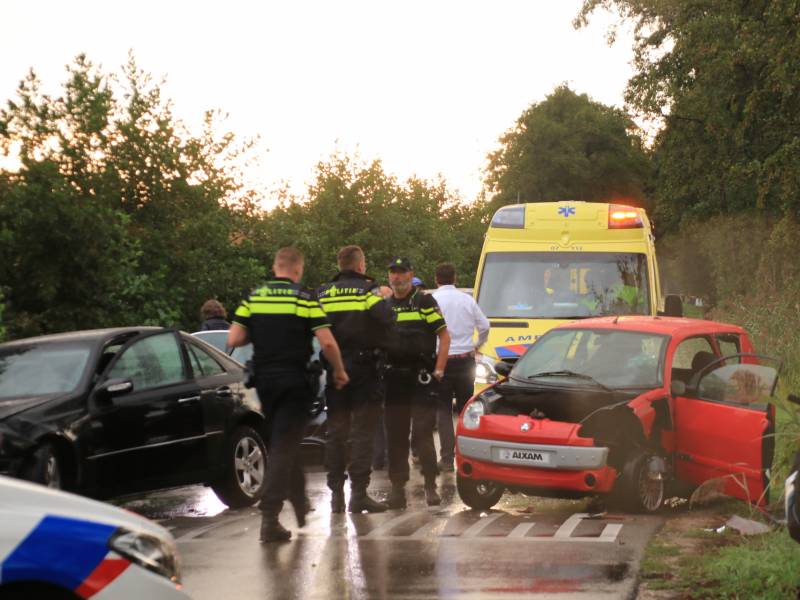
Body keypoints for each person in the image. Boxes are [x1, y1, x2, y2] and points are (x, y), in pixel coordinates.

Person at [227, 247, 349, 543]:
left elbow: (235, 338)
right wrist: (339, 371)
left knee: (284, 440)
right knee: (284, 445)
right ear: (298, 269)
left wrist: (262, 330)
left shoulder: (254, 297)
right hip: (294, 381)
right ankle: (269, 516)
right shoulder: (304, 298)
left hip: (264, 384)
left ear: (275, 266)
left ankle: (299, 501)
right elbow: (327, 342)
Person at [317, 245, 397, 513]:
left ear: (340, 265)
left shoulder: (323, 293)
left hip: (334, 369)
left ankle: (336, 496)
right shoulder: (366, 290)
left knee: (336, 432)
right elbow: (387, 317)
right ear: (361, 265)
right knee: (363, 432)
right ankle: (359, 494)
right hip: (364, 370)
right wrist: (386, 297)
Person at [383, 256, 450, 508]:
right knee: (396, 435)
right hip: (394, 379)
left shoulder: (424, 301)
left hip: (421, 378)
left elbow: (444, 336)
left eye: (401, 272)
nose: (397, 277)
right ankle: (397, 489)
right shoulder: (385, 306)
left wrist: (439, 369)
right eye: (393, 272)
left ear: (411, 274)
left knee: (422, 433)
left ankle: (430, 485)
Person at [432, 262, 490, 471]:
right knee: (466, 410)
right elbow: (485, 326)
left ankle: (447, 459)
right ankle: (468, 456)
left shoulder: (432, 300)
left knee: (443, 410)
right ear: (454, 278)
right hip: (465, 360)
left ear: (436, 279)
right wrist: (476, 345)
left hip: (442, 361)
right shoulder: (467, 300)